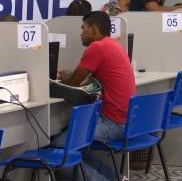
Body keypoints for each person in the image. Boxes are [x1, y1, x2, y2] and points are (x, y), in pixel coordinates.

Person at [58, 11, 136, 180]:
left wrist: (61, 80)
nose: (81, 33)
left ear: (93, 29)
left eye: (83, 28)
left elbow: (72, 85)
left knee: (61, 149)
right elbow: (92, 78)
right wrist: (73, 76)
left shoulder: (97, 47)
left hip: (114, 123)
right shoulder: (114, 45)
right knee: (78, 149)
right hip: (127, 120)